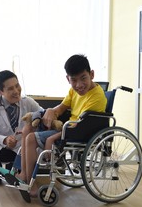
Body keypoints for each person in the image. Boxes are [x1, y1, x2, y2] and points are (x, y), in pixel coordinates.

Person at [18, 54, 107, 196]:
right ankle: (23, 174)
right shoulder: (73, 91)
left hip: (77, 132)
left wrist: (52, 138)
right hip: (68, 127)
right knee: (27, 128)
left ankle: (30, 183)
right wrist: (51, 111)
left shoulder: (96, 96)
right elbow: (62, 107)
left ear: (91, 74)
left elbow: (81, 126)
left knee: (31, 139)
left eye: (83, 78)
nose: (78, 85)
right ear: (68, 79)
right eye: (74, 80)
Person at [0, 70, 42, 185]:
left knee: (32, 152)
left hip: (23, 148)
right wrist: (4, 140)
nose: (16, 91)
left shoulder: (28, 102)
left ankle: (5, 172)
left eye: (17, 86)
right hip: (2, 148)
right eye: (10, 89)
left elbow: (42, 114)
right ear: (0, 91)